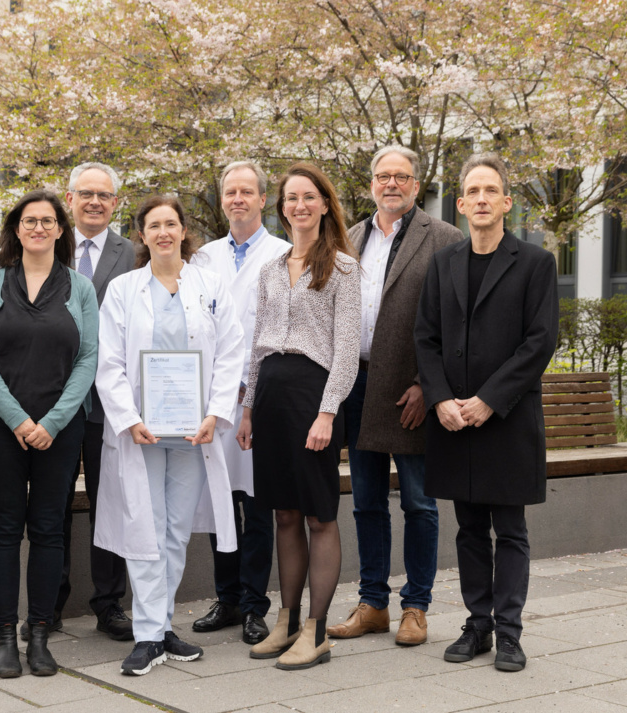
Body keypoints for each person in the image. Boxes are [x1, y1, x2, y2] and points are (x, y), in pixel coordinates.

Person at [415, 153, 559, 672]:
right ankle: (477, 625)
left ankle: (509, 634)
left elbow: (539, 343)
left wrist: (488, 401)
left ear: (505, 201)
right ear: (460, 203)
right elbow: (425, 339)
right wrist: (439, 400)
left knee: (511, 530)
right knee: (468, 529)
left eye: (489, 191)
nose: (480, 199)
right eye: (471, 192)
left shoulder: (536, 263)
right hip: (454, 420)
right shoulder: (443, 263)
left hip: (507, 420)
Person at [94, 195, 244, 676]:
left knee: (176, 531)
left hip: (194, 432)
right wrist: (127, 416)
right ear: (141, 234)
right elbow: (109, 360)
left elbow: (229, 353)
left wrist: (217, 412)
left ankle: (160, 628)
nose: (163, 232)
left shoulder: (210, 284)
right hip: (142, 431)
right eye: (153, 225)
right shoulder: (123, 289)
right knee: (145, 530)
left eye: (171, 224)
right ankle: (147, 635)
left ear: (183, 232)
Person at [327, 146, 462, 647]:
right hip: (358, 385)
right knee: (364, 502)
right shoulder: (350, 237)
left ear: (416, 182)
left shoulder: (445, 238)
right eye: (383, 176)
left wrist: (430, 386)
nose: (391, 185)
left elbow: (457, 323)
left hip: (410, 390)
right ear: (371, 184)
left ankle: (417, 607)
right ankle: (373, 604)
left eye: (401, 176)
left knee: (420, 504)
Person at [0, 190, 99, 678]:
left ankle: (39, 634)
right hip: (1, 427)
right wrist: (19, 420)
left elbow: (88, 359)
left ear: (61, 230)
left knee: (48, 530)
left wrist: (50, 423)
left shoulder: (80, 288)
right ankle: (4, 635)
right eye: (30, 221)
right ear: (17, 229)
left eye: (48, 221)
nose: (39, 228)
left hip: (60, 430)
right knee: (4, 529)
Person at [237, 162, 360, 670]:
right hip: (271, 397)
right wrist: (247, 408)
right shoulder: (270, 269)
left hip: (313, 396)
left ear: (325, 204)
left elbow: (348, 350)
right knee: (282, 512)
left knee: (318, 514)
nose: (299, 205)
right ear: (280, 206)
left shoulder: (344, 270)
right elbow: (255, 348)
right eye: (291, 198)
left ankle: (317, 628)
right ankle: (286, 620)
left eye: (309, 197)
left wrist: (327, 413)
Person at [191, 161, 288, 645]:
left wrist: (251, 389)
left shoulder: (284, 254)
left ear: (263, 200)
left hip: (260, 398)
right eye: (230, 192)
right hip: (212, 400)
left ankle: (254, 604)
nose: (237, 199)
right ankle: (226, 597)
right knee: (218, 501)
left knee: (257, 503)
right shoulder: (203, 259)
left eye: (247, 191)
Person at [38, 162, 135, 643]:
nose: (95, 201)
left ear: (115, 203)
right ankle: (50, 601)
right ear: (69, 198)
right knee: (52, 503)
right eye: (86, 193)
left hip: (109, 403)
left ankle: (109, 601)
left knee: (109, 503)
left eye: (104, 194)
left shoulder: (133, 254)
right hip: (51, 399)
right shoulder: (46, 245)